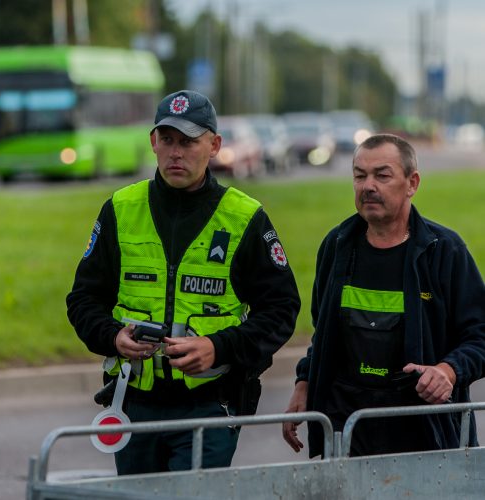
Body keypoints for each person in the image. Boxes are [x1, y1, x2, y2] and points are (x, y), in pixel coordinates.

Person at [66, 90, 300, 474]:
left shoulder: (244, 217)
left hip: (209, 405)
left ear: (214, 146)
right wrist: (111, 337)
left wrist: (218, 347)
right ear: (153, 142)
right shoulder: (120, 209)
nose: (177, 152)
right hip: (135, 404)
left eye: (189, 142)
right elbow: (83, 299)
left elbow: (281, 309)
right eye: (168, 140)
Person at [282, 133, 485, 458]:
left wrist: (448, 371)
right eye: (360, 176)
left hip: (423, 436)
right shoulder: (336, 246)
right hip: (346, 434)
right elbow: (322, 332)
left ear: (412, 183)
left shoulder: (445, 252)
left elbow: (480, 335)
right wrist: (304, 383)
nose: (368, 186)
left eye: (382, 175)